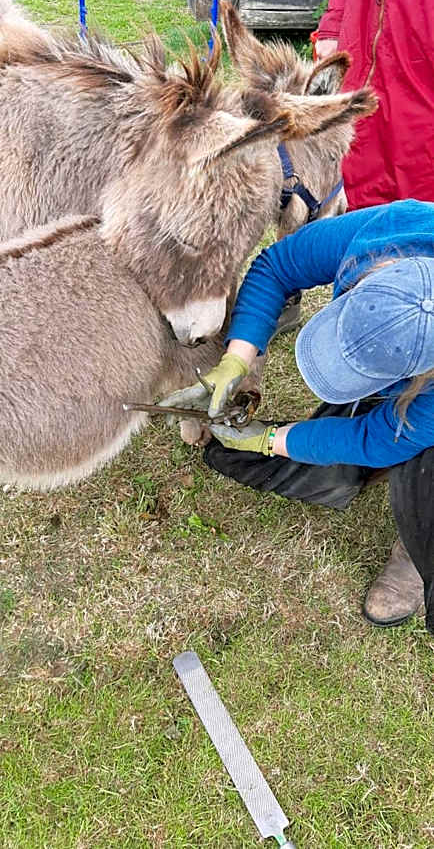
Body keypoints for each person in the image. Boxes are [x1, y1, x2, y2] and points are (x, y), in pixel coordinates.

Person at [160, 199, 434, 635]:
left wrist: (270, 440)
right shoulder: (396, 231)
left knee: (422, 468)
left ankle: (418, 552)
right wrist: (237, 358)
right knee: (307, 464)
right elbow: (277, 266)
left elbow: (380, 437)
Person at [314, 0, 434, 210]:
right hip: (362, 41)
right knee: (352, 179)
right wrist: (334, 22)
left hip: (421, 62)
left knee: (414, 201)